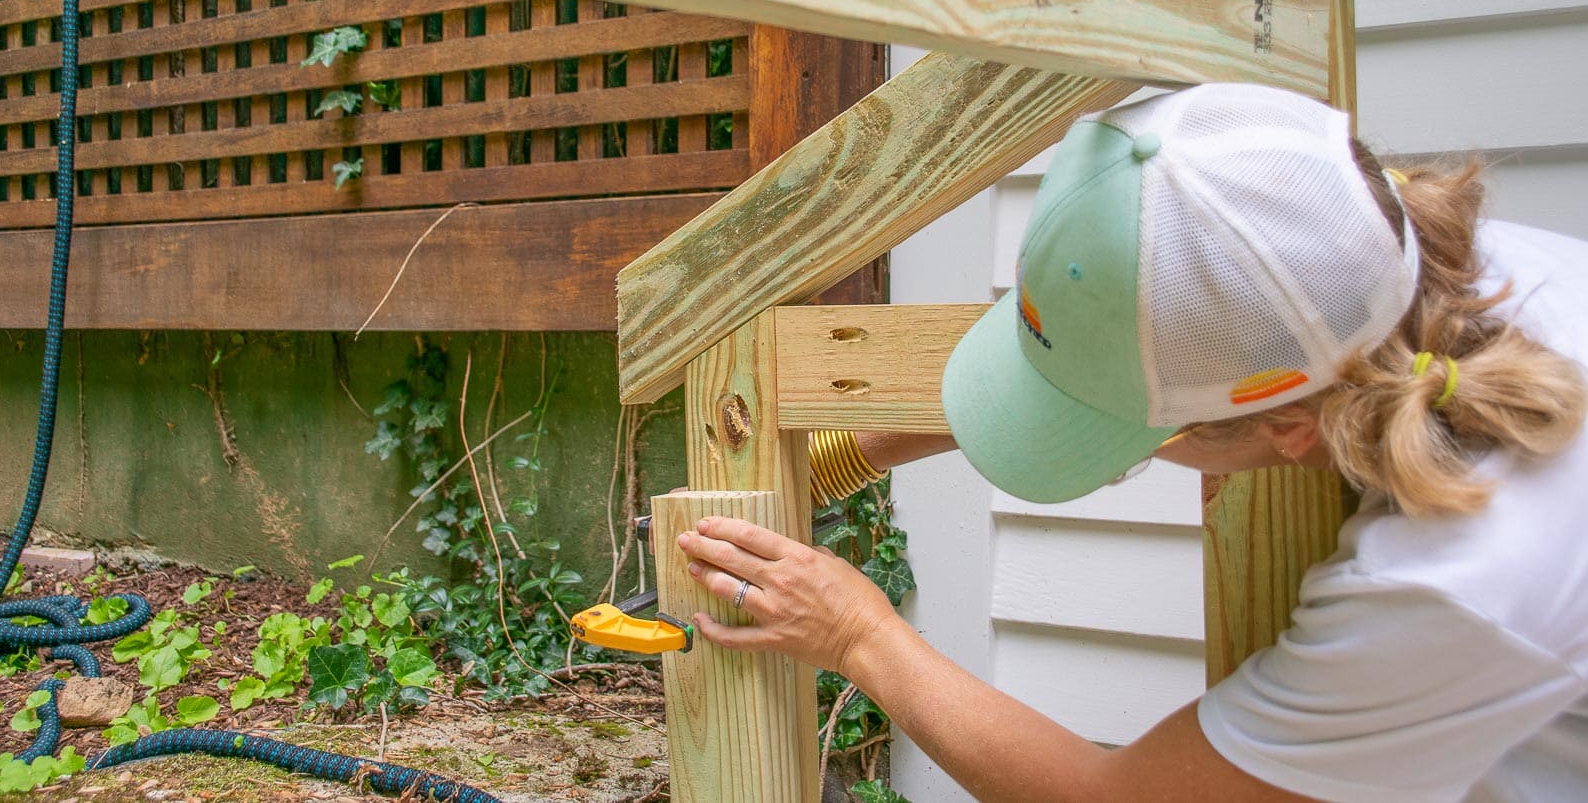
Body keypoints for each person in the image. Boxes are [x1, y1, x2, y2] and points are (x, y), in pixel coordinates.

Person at [674, 83, 1588, 802]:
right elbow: (1144, 322)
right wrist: (852, 450)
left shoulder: (1449, 587)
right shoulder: (1416, 265)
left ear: (1287, 427)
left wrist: (859, 633)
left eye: (1127, 441)